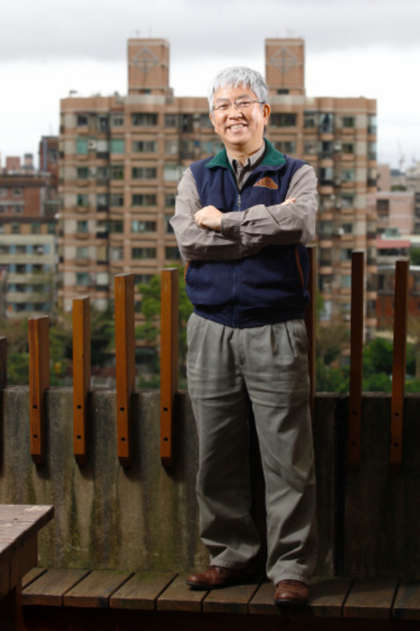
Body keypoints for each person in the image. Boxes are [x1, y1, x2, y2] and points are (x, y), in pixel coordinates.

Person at [170, 66, 318, 606]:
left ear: (264, 112)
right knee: (216, 453)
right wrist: (260, 229)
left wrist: (225, 223)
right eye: (222, 105)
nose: (233, 112)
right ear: (213, 119)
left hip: (276, 328)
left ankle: (292, 567)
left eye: (243, 102)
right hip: (211, 329)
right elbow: (189, 240)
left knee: (288, 457)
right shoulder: (195, 176)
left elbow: (299, 224)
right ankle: (230, 555)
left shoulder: (296, 172)